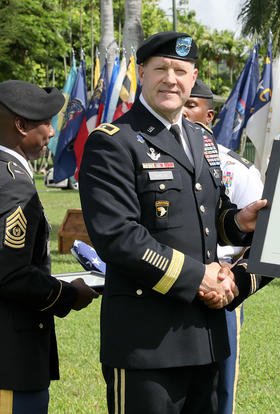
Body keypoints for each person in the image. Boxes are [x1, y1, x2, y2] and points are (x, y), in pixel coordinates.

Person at [78, 32, 265, 414]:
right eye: (160, 69)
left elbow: (208, 217)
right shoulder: (113, 142)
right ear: (141, 72)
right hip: (146, 341)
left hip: (207, 336)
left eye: (180, 71)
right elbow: (118, 237)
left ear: (193, 77)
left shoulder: (201, 138)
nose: (171, 79)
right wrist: (198, 278)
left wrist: (239, 221)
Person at [0, 80, 99, 413]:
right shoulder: (13, 184)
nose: (53, 133)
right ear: (21, 125)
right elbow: (11, 273)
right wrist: (68, 294)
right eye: (46, 123)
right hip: (11, 362)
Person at [183, 79, 264, 414]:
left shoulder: (236, 170)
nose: (183, 112)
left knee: (218, 392)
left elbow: (256, 233)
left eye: (191, 105)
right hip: (170, 280)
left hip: (222, 287)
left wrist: (232, 279)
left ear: (210, 115)